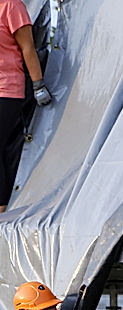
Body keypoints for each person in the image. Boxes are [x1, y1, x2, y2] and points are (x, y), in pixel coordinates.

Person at [1, 0, 52, 213]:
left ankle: (1, 211)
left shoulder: (12, 6)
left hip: (7, 90)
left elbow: (28, 48)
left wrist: (38, 84)